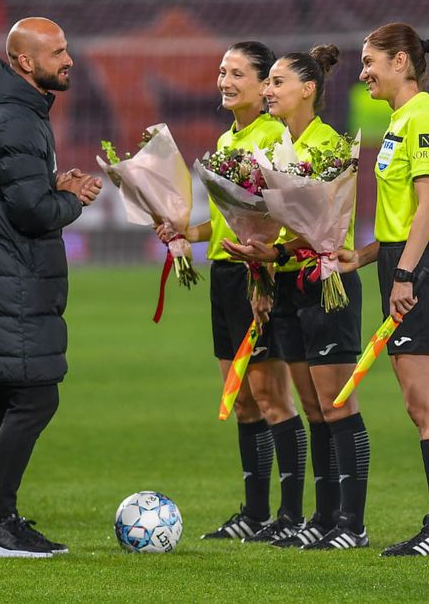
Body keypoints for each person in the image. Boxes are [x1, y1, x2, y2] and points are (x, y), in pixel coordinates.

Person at [0, 17, 102, 559]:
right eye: (56, 52)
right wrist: (74, 197)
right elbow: (31, 213)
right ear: (23, 63)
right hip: (11, 282)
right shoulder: (17, 119)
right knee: (36, 398)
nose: (68, 59)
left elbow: (14, 193)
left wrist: (50, 186)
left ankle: (2, 520)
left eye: (67, 47)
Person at [157, 42, 306, 543]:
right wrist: (184, 233)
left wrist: (263, 279)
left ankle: (290, 515)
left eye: (237, 72)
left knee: (272, 397)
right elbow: (228, 224)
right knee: (242, 399)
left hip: (256, 276)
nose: (224, 80)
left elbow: (280, 223)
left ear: (265, 85)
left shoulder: (274, 137)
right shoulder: (227, 140)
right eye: (221, 70)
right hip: (225, 274)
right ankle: (255, 512)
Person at [223, 45, 368, 551]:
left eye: (277, 82)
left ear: (308, 89)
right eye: (269, 83)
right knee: (313, 406)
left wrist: (277, 247)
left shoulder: (329, 145)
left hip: (325, 281)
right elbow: (280, 225)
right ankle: (325, 518)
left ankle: (353, 522)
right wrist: (262, 261)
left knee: (337, 405)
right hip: (287, 283)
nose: (268, 90)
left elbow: (331, 227)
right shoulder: (277, 150)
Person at [338, 22, 429, 556]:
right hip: (402, 263)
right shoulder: (400, 121)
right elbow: (399, 219)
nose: (363, 71)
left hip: (422, 273)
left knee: (427, 405)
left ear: (400, 61)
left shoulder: (424, 120)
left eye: (371, 60)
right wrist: (365, 256)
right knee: (419, 405)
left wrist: (404, 275)